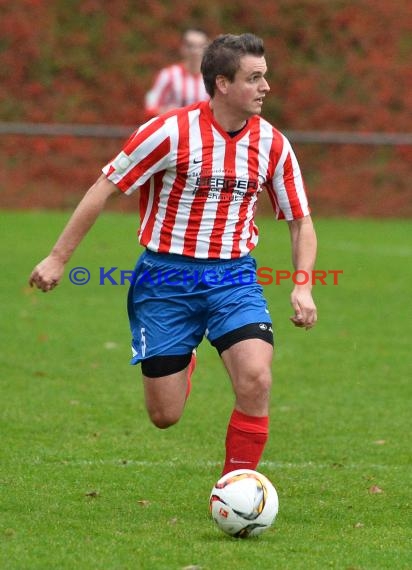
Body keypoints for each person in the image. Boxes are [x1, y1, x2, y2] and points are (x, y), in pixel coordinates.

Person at [29, 33, 317, 477]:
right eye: (254, 78)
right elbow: (103, 188)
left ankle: (236, 487)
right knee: (165, 416)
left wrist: (303, 285)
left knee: (256, 378)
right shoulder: (169, 132)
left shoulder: (274, 144)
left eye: (265, 76)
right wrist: (57, 257)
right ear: (223, 83)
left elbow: (300, 220)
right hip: (165, 279)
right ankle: (185, 357)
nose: (266, 87)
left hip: (233, 278)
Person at [144, 28, 209, 119]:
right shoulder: (168, 75)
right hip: (175, 131)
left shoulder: (213, 77)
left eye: (200, 46)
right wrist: (167, 112)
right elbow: (150, 107)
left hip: (205, 131)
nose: (195, 51)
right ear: (182, 48)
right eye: (190, 46)